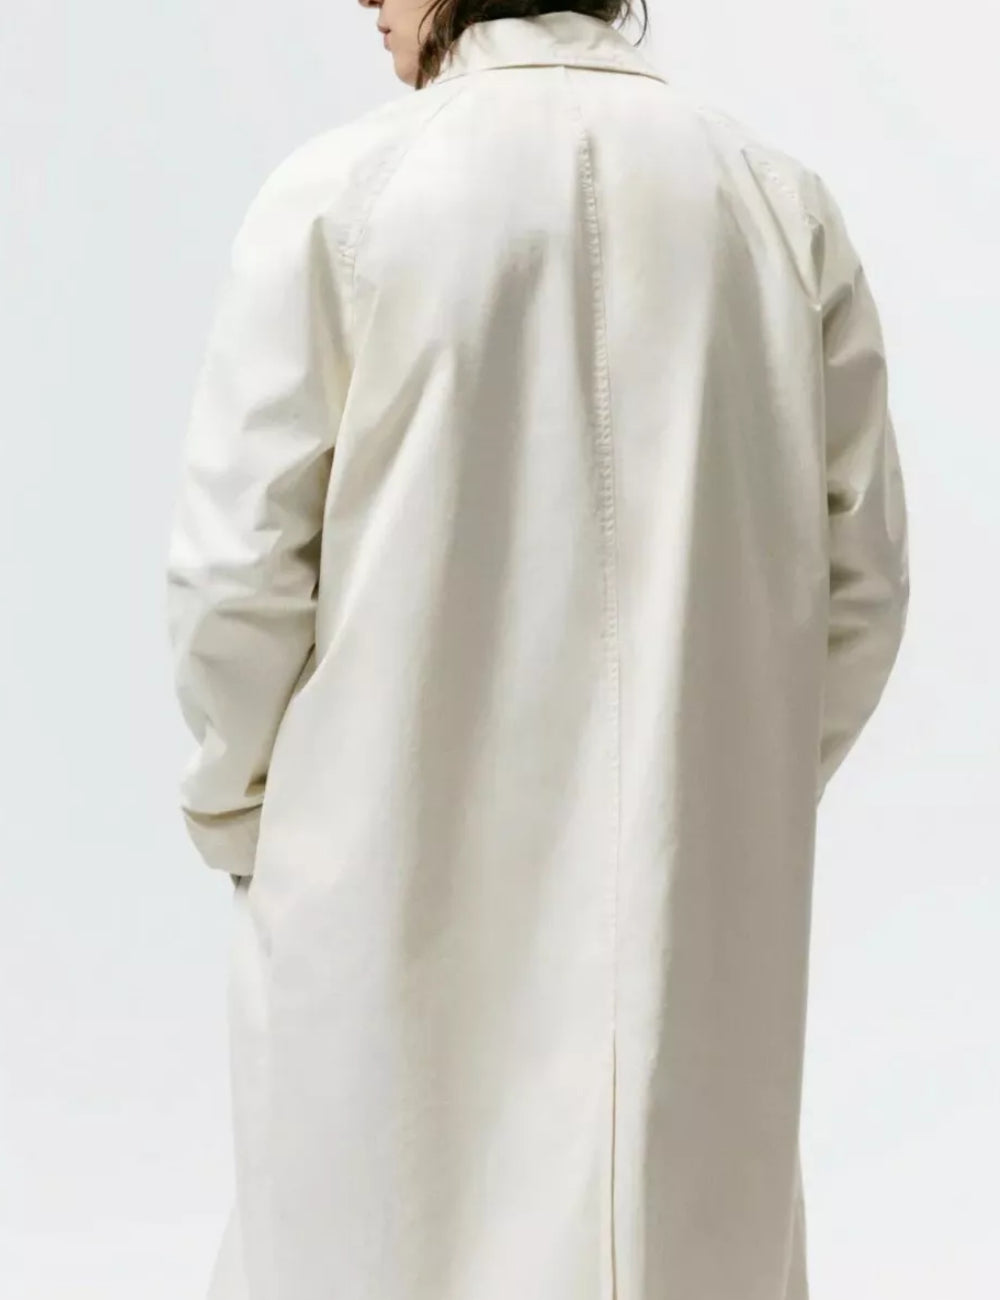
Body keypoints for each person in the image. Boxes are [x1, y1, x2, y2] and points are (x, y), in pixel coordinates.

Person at [164, 4, 910, 1299]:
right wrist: (714, 784)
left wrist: (254, 817)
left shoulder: (343, 201)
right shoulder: (775, 208)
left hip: (376, 907)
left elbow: (235, 581)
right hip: (687, 929)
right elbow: (863, 589)